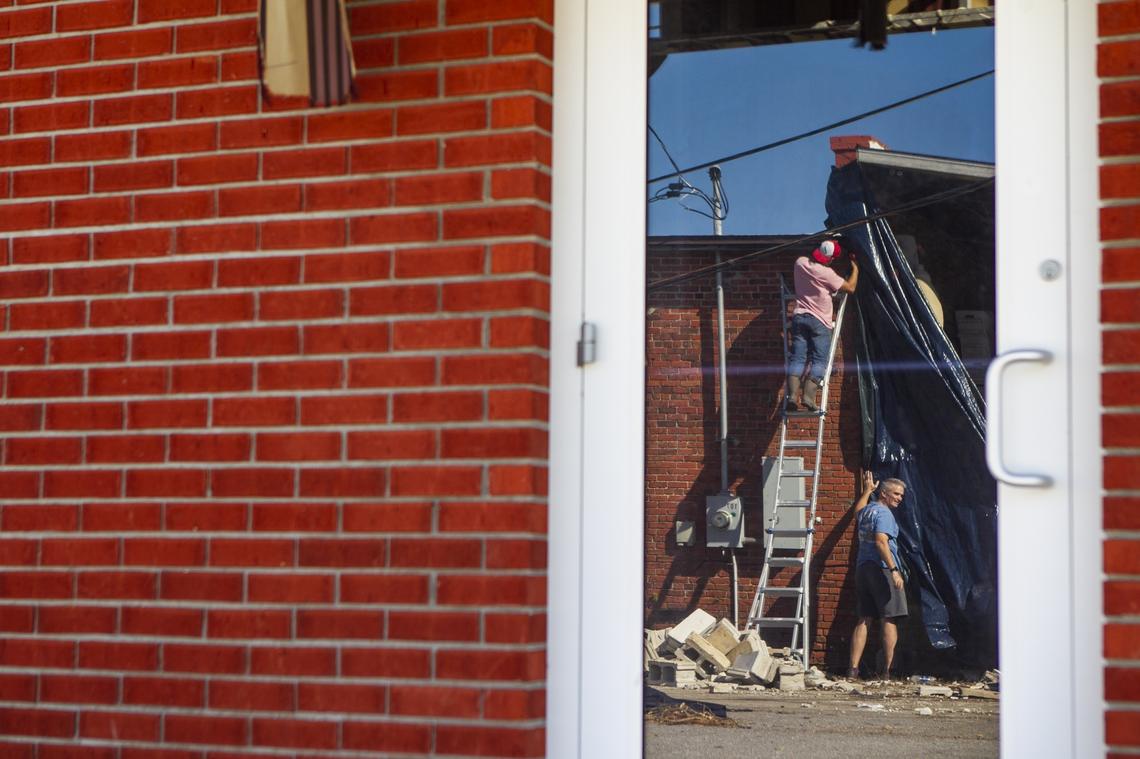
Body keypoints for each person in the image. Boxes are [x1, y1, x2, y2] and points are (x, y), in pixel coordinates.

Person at [848, 471, 908, 679]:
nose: (900, 498)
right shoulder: (883, 514)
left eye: (901, 495)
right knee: (888, 618)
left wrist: (866, 492)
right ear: (884, 494)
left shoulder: (869, 511)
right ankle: (887, 671)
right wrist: (894, 570)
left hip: (863, 569)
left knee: (864, 618)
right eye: (896, 494)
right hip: (881, 569)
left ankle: (853, 669)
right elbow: (881, 541)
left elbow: (857, 512)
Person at [785, 239, 859, 411]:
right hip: (820, 322)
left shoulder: (800, 263)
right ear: (831, 259)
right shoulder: (828, 274)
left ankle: (792, 397)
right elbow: (851, 287)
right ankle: (808, 398)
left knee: (797, 358)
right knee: (820, 360)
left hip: (799, 318)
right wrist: (855, 267)